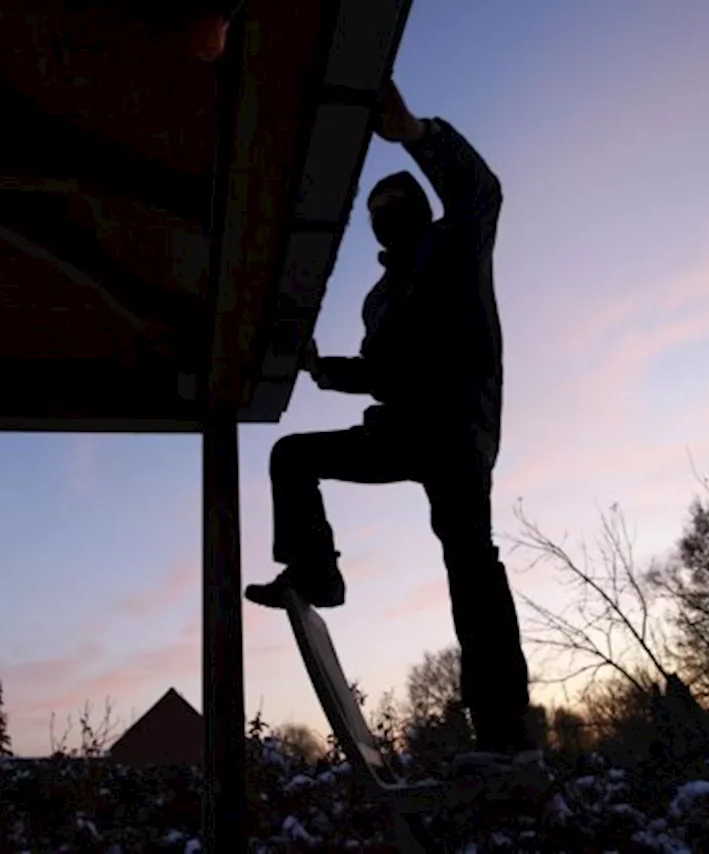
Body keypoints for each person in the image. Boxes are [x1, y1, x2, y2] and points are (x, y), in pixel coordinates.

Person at [245, 80, 538, 762]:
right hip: (402, 430)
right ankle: (318, 573)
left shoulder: (456, 247)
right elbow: (380, 375)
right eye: (376, 216)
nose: (387, 223)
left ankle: (504, 732)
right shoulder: (380, 300)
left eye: (395, 209)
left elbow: (480, 190)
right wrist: (322, 370)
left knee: (471, 563)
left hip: (458, 431)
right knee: (293, 455)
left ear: (415, 212)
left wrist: (417, 134)